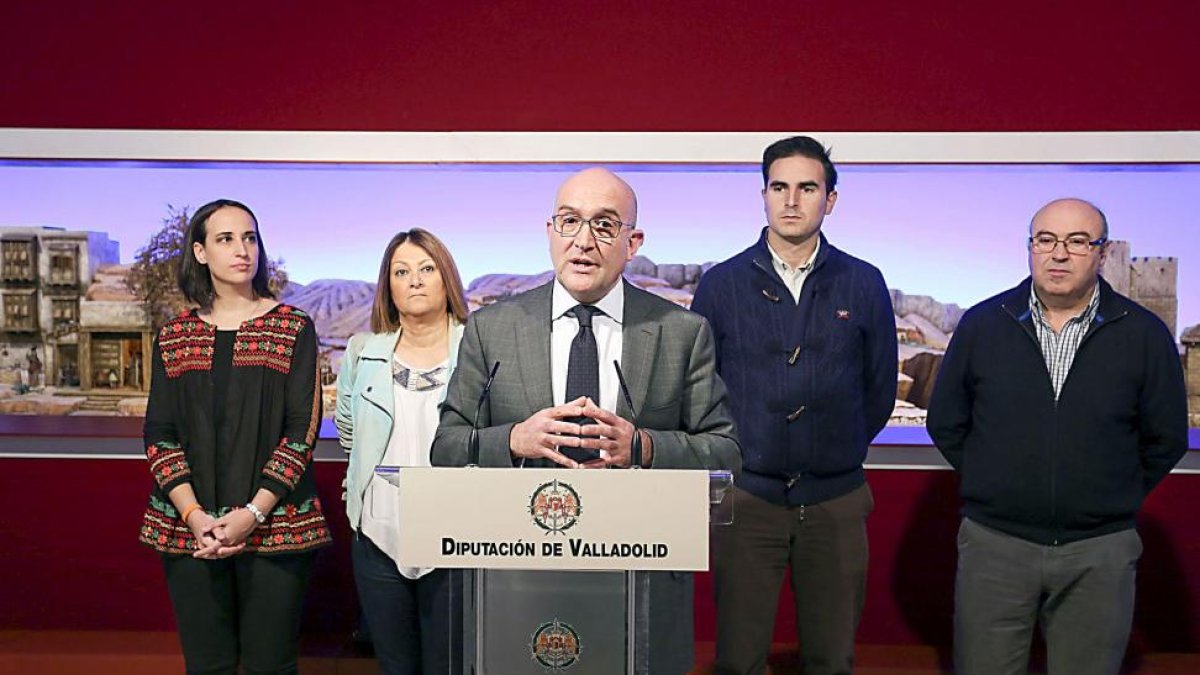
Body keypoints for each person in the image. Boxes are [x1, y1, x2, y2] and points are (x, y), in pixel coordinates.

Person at [431, 167, 741, 675]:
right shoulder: (493, 328)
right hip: (517, 581)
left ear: (632, 241)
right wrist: (514, 440)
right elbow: (445, 445)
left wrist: (641, 448)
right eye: (569, 221)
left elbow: (726, 453)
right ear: (549, 232)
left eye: (603, 225)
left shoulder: (682, 332)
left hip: (637, 576)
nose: (583, 241)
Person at [927, 198, 1188, 675]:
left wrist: (1107, 493)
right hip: (995, 545)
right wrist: (999, 480)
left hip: (1100, 551)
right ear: (1030, 248)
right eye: (1045, 240)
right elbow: (946, 422)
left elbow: (1166, 437)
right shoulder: (983, 326)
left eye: (1077, 242)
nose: (1059, 254)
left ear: (1102, 253)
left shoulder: (1144, 335)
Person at [691, 136, 897, 675]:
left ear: (829, 200)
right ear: (763, 195)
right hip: (745, 497)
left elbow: (876, 392)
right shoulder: (721, 285)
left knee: (831, 659)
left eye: (807, 187)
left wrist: (834, 447)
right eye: (779, 187)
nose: (791, 200)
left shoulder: (864, 281)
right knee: (736, 659)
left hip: (836, 498)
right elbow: (701, 388)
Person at [138, 198, 330, 675]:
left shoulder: (291, 328)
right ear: (200, 252)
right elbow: (159, 434)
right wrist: (193, 513)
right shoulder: (175, 335)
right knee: (208, 666)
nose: (243, 249)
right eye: (226, 239)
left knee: (271, 665)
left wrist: (252, 513)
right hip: (190, 530)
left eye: (250, 237)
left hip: (276, 525)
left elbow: (301, 432)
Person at [336, 229, 468, 674]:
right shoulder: (361, 352)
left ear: (446, 278)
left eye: (427, 268)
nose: (414, 280)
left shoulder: (479, 348)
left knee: (450, 664)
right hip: (378, 534)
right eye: (401, 271)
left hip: (460, 536)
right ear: (387, 286)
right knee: (396, 666)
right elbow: (350, 434)